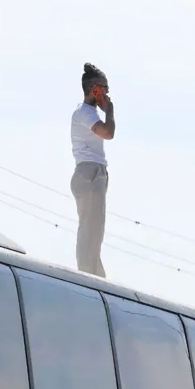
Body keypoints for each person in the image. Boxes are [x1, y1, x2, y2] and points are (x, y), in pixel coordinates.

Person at [70, 63, 116, 277]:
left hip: (94, 172)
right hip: (89, 173)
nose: (107, 93)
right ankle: (87, 276)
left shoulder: (88, 113)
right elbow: (108, 133)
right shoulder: (85, 113)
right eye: (105, 88)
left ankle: (96, 276)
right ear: (95, 89)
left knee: (95, 231)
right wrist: (110, 112)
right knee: (90, 230)